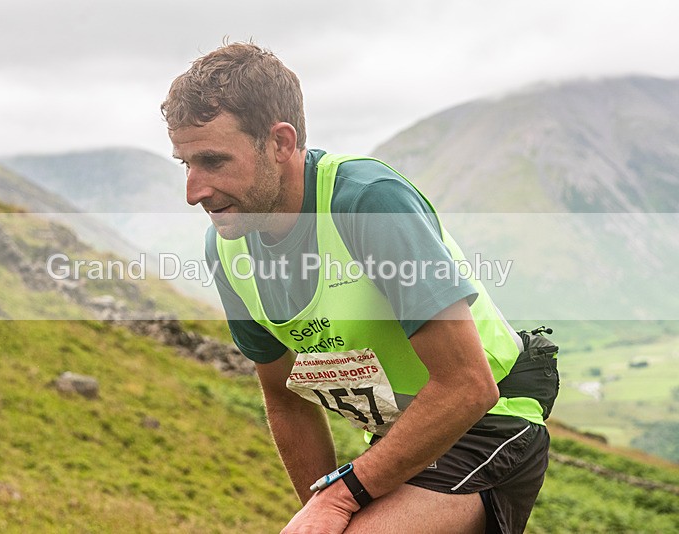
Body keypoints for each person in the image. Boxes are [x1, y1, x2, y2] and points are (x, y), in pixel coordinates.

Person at [161, 42, 554, 534]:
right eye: (186, 164)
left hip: (491, 416)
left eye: (214, 162)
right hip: (405, 435)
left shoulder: (368, 203)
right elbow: (286, 398)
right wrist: (320, 507)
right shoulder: (226, 248)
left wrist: (340, 501)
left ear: (280, 143)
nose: (194, 191)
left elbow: (467, 385)